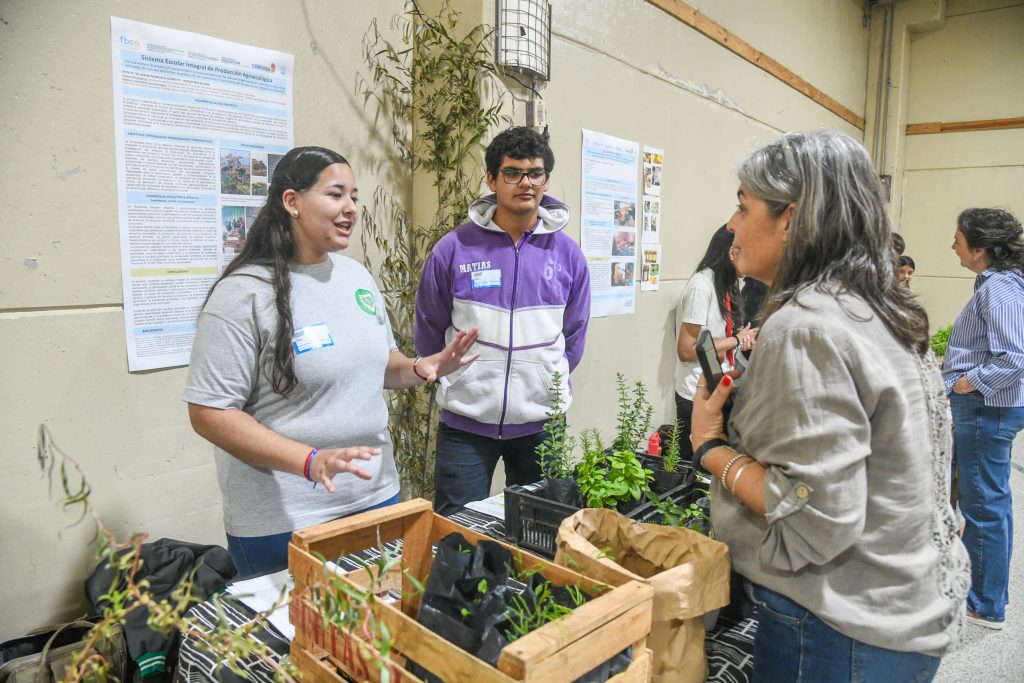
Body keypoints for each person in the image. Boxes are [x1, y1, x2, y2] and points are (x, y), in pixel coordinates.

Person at [690, 131, 970, 681]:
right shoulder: (877, 306)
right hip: (901, 608)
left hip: (839, 627)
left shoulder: (805, 326)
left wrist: (711, 446)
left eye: (744, 207)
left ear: (792, 218)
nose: (731, 224)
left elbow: (814, 512)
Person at [184, 146, 479, 576]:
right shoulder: (243, 294)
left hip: (374, 497)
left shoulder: (355, 276)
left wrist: (420, 367)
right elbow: (209, 412)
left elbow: (379, 365)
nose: (351, 209)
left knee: (375, 630)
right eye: (336, 195)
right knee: (297, 640)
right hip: (285, 520)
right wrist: (309, 460)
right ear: (292, 202)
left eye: (355, 197)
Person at [415, 127, 591, 515]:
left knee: (538, 530)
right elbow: (429, 327)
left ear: (546, 180)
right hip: (466, 423)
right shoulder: (454, 248)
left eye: (535, 173)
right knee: (457, 533)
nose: (525, 183)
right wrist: (454, 376)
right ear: (492, 179)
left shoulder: (568, 255)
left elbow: (574, 336)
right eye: (512, 173)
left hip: (541, 425)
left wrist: (544, 379)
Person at [943, 207, 1024, 630]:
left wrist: (963, 382)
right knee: (992, 501)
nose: (953, 245)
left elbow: (1014, 356)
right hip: (991, 406)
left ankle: (985, 604)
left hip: (986, 408)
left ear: (981, 248)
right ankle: (991, 594)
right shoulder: (1000, 284)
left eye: (958, 239)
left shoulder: (1000, 288)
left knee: (983, 505)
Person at [674, 225, 757, 467]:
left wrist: (741, 338)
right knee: (694, 467)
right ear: (732, 252)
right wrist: (737, 339)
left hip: (718, 388)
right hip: (695, 393)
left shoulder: (726, 285)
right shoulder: (702, 286)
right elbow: (687, 350)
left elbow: (719, 337)